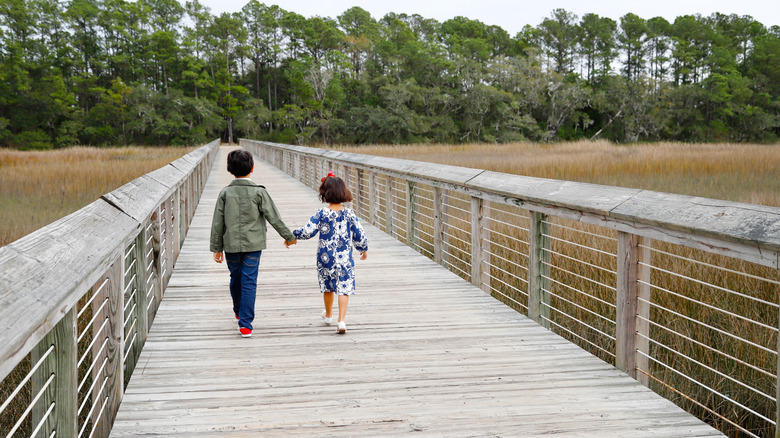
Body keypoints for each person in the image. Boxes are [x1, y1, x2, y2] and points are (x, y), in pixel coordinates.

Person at [210, 149, 297, 338]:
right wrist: (288, 236)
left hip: (231, 244)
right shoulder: (259, 192)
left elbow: (218, 222)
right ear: (252, 168)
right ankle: (246, 324)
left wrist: (217, 249)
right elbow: (274, 216)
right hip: (254, 245)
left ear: (229, 170)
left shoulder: (224, 193)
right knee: (249, 281)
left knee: (235, 277)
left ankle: (238, 310)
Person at [288, 172, 368, 334]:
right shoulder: (349, 214)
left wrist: (292, 236)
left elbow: (308, 231)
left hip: (325, 257)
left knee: (328, 286)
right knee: (343, 286)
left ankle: (329, 315)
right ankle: (342, 321)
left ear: (324, 194)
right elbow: (359, 234)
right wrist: (363, 248)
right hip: (344, 256)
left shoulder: (321, 213)